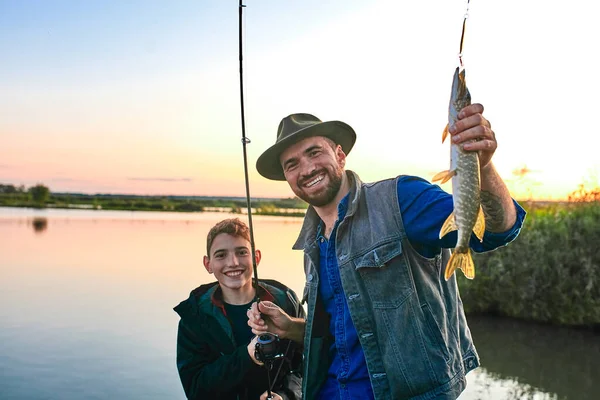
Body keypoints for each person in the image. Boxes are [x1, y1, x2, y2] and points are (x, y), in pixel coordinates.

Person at [247, 106, 526, 399]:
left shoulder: (400, 199)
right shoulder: (312, 243)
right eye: (292, 165)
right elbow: (340, 333)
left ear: (340, 155)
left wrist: (482, 166)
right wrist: (291, 327)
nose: (306, 169)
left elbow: (497, 229)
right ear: (288, 179)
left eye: (314, 152)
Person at [174, 218, 304, 400]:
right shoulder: (193, 315)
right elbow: (196, 389)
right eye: (221, 255)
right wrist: (247, 356)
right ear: (208, 264)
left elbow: (305, 368)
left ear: (256, 257)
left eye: (242, 252)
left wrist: (286, 396)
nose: (233, 262)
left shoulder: (286, 301)